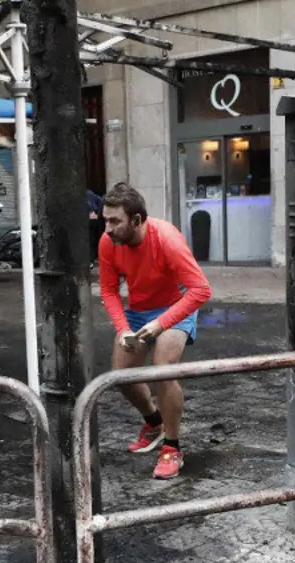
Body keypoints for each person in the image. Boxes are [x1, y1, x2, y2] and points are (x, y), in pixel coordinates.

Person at [98, 182, 212, 479]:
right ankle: (154, 423)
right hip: (138, 311)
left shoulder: (167, 239)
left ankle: (172, 448)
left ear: (136, 220)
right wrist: (123, 328)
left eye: (114, 221)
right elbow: (109, 291)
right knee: (122, 377)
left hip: (176, 305)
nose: (107, 228)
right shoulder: (108, 243)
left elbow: (201, 290)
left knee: (163, 369)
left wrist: (162, 323)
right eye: (105, 219)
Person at [86, 189, 104, 267]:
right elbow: (100, 201)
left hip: (89, 220)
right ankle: (94, 258)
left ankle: (91, 259)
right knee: (94, 239)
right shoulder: (91, 193)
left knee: (89, 239)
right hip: (95, 219)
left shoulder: (85, 195)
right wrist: (98, 214)